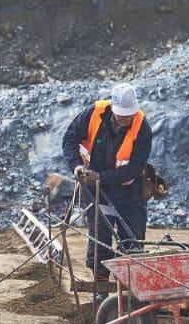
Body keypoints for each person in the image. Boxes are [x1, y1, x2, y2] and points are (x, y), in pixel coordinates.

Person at [62, 83, 153, 279]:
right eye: (122, 115)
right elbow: (69, 138)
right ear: (113, 108)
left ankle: (131, 289)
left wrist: (101, 177)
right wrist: (77, 166)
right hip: (95, 190)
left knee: (133, 240)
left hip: (130, 192)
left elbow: (136, 167)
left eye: (130, 114)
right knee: (100, 237)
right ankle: (101, 285)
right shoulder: (93, 114)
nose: (127, 119)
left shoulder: (142, 126)